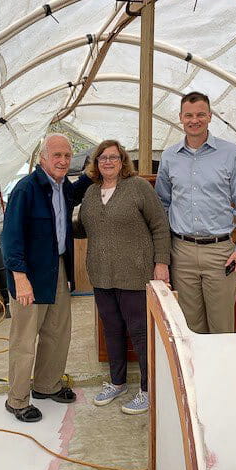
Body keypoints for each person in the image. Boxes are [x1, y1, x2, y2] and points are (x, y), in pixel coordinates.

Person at [2, 133, 92, 422]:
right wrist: (20, 279)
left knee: (57, 332)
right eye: (57, 155)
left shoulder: (63, 187)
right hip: (30, 274)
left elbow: (77, 193)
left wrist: (94, 173)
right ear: (43, 158)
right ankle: (16, 400)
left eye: (67, 156)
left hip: (57, 269)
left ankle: (46, 385)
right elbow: (11, 237)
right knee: (24, 340)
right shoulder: (26, 190)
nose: (63, 161)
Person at [78, 140, 170, 414]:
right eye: (102, 158)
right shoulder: (92, 193)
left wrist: (161, 263)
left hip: (134, 274)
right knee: (112, 330)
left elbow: (160, 226)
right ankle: (117, 383)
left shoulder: (138, 188)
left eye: (113, 157)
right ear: (96, 163)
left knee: (140, 333)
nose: (108, 162)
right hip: (102, 275)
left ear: (122, 161)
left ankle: (147, 389)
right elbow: (83, 226)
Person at [155, 91, 236, 334]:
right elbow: (162, 204)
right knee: (189, 327)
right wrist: (164, 253)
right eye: (188, 115)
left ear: (210, 116)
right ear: (180, 117)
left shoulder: (231, 153)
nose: (194, 120)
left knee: (222, 326)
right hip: (182, 253)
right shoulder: (169, 156)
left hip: (220, 253)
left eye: (200, 114)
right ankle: (196, 373)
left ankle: (221, 373)